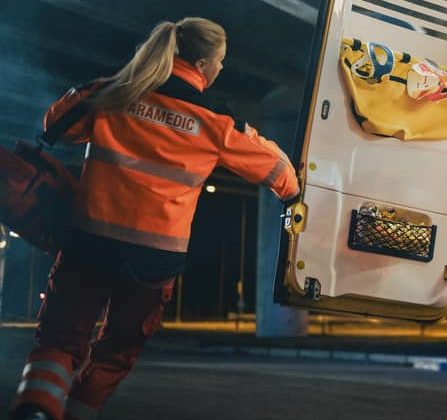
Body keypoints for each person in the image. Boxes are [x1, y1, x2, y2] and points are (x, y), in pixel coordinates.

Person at [9, 17, 299, 420]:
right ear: (201, 66)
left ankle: (36, 409)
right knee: (115, 352)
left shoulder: (112, 96)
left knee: (58, 340)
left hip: (88, 243)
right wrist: (293, 191)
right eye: (220, 61)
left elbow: (57, 121)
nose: (220, 69)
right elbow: (280, 174)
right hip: (153, 261)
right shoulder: (216, 123)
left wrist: (109, 89)